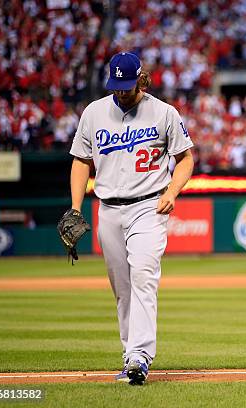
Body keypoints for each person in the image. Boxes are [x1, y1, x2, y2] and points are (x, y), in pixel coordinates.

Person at [68, 52, 194, 385]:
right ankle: (130, 355)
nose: (121, 92)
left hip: (149, 207)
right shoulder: (94, 113)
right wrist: (76, 208)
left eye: (127, 85)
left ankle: (140, 356)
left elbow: (185, 159)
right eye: (117, 86)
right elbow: (81, 161)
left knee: (143, 276)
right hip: (107, 208)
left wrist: (172, 192)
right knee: (122, 289)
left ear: (141, 79)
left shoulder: (164, 112)